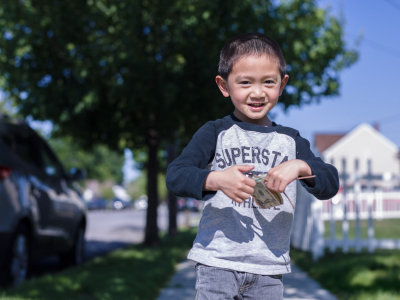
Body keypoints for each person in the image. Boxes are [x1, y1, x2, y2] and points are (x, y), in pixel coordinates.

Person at [166, 32, 339, 300]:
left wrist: (301, 166)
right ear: (224, 86)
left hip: (268, 270)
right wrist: (216, 180)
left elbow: (330, 183)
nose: (257, 92)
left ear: (282, 85)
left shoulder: (290, 141)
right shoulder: (215, 132)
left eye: (268, 82)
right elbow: (176, 176)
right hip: (217, 263)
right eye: (245, 82)